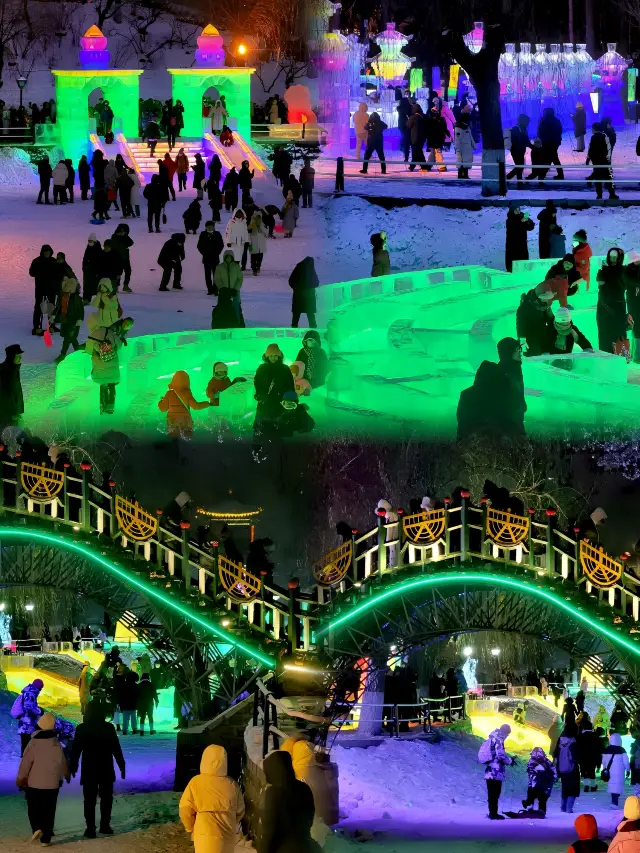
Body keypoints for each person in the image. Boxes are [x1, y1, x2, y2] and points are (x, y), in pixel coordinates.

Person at [69, 702, 125, 838]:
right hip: (106, 767)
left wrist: (73, 766)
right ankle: (105, 825)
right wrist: (121, 765)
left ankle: (90, 828)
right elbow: (115, 748)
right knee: (106, 798)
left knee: (89, 800)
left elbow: (76, 750)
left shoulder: (82, 728)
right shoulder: (108, 728)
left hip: (89, 768)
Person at [16, 712, 70, 846]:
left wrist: (21, 780)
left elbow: (25, 764)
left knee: (34, 807)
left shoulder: (33, 743)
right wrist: (66, 774)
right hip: (52, 784)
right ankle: (46, 837)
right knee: (49, 809)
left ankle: (37, 827)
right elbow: (62, 762)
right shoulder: (56, 744)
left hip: (34, 783)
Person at [179, 744, 244, 853]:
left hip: (204, 836)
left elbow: (185, 809)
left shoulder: (196, 782)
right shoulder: (232, 784)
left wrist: (190, 828)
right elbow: (240, 811)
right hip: (228, 837)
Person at [457, 337, 526, 440]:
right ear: (507, 352)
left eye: (519, 349)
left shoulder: (514, 371)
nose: (520, 353)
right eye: (517, 350)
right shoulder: (500, 374)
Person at [258, 750, 320, 853]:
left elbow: (270, 830)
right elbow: (309, 816)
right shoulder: (304, 788)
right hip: (304, 846)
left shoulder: (273, 793)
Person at [85, 314, 133, 415]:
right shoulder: (111, 332)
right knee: (111, 385)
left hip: (99, 365)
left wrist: (97, 351)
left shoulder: (93, 335)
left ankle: (102, 408)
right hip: (112, 364)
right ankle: (110, 407)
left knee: (103, 385)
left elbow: (88, 350)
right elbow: (118, 346)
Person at [253, 344, 295, 435]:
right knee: (260, 429)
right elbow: (257, 382)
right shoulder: (262, 368)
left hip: (280, 402)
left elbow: (290, 385)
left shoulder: (285, 368)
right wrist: (258, 395)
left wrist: (290, 400)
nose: (273, 358)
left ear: (279, 356)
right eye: (270, 355)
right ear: (267, 356)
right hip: (264, 401)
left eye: (275, 355)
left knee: (279, 428)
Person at [597, 248, 630, 357]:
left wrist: (606, 283)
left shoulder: (623, 270)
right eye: (611, 257)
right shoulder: (604, 270)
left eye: (615, 257)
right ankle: (605, 357)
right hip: (603, 305)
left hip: (617, 305)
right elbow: (601, 283)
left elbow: (621, 286)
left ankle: (621, 358)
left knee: (619, 332)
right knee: (604, 331)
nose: (613, 259)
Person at [158, 370, 211, 439]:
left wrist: (161, 401)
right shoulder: (187, 394)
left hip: (173, 421)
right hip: (185, 421)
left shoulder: (169, 394)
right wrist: (207, 404)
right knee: (187, 437)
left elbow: (163, 409)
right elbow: (196, 406)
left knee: (173, 437)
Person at [482, 724, 513, 820]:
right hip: (495, 771)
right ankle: (493, 813)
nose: (507, 736)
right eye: (507, 734)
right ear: (505, 732)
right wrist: (510, 760)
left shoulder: (493, 738)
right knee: (495, 793)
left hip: (490, 771)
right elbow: (500, 755)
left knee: (492, 793)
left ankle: (492, 812)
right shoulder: (499, 739)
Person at [54, 277, 85, 362]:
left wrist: (79, 320)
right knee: (70, 338)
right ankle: (78, 352)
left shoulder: (77, 299)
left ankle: (63, 354)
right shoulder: (63, 297)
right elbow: (58, 308)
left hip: (74, 322)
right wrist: (54, 316)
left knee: (69, 338)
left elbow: (81, 311)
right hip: (65, 321)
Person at [29, 244, 57, 336]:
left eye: (48, 252)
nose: (47, 253)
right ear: (42, 252)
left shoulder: (53, 261)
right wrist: (40, 272)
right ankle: (37, 326)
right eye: (45, 252)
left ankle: (51, 325)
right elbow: (31, 273)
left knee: (51, 307)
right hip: (40, 288)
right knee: (38, 308)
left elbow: (60, 271)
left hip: (51, 289)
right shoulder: (36, 261)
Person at [521, 746, 556, 816]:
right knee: (532, 797)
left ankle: (541, 810)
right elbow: (530, 772)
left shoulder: (546, 761)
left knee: (542, 798)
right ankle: (530, 807)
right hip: (535, 784)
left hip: (543, 784)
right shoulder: (532, 762)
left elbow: (553, 769)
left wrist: (554, 777)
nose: (538, 757)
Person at [554, 723, 581, 813]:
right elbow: (576, 757)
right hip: (572, 769)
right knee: (573, 788)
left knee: (565, 787)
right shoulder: (573, 742)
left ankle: (563, 807)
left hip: (562, 768)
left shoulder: (560, 740)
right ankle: (569, 808)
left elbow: (555, 754)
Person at [587, 122, 618, 200]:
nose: (591, 130)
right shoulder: (605, 137)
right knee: (609, 177)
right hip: (605, 161)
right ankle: (612, 193)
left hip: (596, 161)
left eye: (592, 129)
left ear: (595, 129)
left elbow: (590, 149)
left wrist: (588, 159)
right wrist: (608, 158)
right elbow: (609, 148)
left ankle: (599, 195)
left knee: (598, 179)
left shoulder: (593, 138)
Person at [214, 250, 243, 323]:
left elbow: (240, 279)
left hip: (235, 294)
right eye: (227, 257)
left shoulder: (236, 267)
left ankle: (237, 324)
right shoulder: (219, 267)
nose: (228, 259)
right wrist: (222, 288)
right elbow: (217, 279)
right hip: (223, 294)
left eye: (230, 257)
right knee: (223, 310)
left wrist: (236, 289)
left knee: (236, 310)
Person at [289, 256, 319, 328]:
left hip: (299, 296)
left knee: (297, 314)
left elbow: (291, 281)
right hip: (308, 297)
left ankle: (294, 330)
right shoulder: (310, 269)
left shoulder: (299, 268)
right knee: (310, 314)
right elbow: (316, 283)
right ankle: (313, 330)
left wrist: (297, 288)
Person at [602, 732, 630, 808]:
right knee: (618, 786)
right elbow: (626, 762)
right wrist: (628, 769)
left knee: (612, 786)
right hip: (619, 772)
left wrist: (604, 768)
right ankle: (615, 801)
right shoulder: (622, 750)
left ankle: (614, 801)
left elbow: (603, 761)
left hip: (610, 771)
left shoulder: (607, 749)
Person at [505, 204, 535, 272]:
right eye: (516, 210)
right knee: (512, 262)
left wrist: (528, 221)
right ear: (512, 211)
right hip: (512, 245)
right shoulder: (509, 219)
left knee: (523, 261)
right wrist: (521, 222)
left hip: (522, 243)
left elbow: (531, 227)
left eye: (519, 210)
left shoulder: (522, 216)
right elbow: (513, 227)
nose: (518, 212)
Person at [0, 343, 24, 427]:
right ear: (11, 356)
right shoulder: (6, 371)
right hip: (7, 415)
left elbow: (16, 391)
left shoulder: (13, 368)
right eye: (18, 356)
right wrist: (13, 413)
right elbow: (6, 395)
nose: (21, 358)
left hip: (13, 412)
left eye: (20, 355)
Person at [198, 220, 224, 295]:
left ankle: (215, 289)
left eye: (211, 226)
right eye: (208, 226)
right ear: (206, 227)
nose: (209, 227)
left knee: (216, 275)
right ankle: (210, 289)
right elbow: (199, 246)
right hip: (206, 258)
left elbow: (221, 245)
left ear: (213, 227)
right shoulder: (203, 234)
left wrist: (217, 252)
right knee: (207, 275)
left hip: (215, 258)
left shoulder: (217, 234)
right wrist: (204, 253)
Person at [537, 107, 564, 180]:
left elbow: (539, 131)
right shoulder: (556, 120)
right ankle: (560, 174)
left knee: (548, 158)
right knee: (553, 157)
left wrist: (541, 139)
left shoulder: (542, 120)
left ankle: (542, 175)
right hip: (555, 142)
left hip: (546, 142)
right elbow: (560, 130)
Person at [507, 114, 532, 186]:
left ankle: (519, 182)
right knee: (519, 167)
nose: (528, 123)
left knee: (519, 167)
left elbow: (525, 141)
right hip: (516, 151)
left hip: (519, 151)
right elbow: (524, 141)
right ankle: (507, 178)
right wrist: (533, 147)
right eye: (527, 121)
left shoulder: (522, 128)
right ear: (524, 121)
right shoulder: (517, 128)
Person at [579, 718, 603, 793]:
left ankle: (586, 785)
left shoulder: (581, 736)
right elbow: (600, 749)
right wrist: (599, 762)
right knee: (592, 771)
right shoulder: (596, 737)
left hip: (583, 757)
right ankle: (593, 786)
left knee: (585, 772)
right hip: (593, 757)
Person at [425, 107, 450, 172]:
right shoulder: (442, 119)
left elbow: (427, 130)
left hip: (433, 139)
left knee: (436, 152)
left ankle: (440, 166)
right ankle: (430, 165)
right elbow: (445, 129)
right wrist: (449, 135)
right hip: (439, 138)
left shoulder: (429, 120)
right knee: (435, 152)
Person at [111, 224, 134, 293]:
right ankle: (116, 286)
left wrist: (125, 236)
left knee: (128, 271)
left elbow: (131, 243)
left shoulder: (125, 237)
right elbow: (115, 245)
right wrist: (120, 236)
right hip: (117, 257)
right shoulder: (114, 236)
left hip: (125, 257)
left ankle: (125, 286)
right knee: (118, 272)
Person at [454, 106, 475, 179]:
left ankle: (465, 174)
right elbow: (457, 139)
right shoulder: (459, 128)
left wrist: (473, 145)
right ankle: (460, 174)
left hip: (467, 147)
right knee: (460, 161)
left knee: (466, 161)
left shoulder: (466, 127)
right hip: (462, 147)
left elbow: (470, 137)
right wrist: (458, 148)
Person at [407, 104, 427, 171]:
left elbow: (408, 126)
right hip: (422, 138)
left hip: (414, 138)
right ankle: (421, 166)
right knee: (419, 152)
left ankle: (416, 166)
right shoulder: (424, 116)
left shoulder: (413, 117)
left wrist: (408, 119)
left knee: (416, 152)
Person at [248, 211, 268, 276]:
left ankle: (258, 267)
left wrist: (260, 226)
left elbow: (266, 233)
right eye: (256, 217)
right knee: (253, 256)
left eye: (259, 217)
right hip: (253, 243)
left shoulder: (262, 224)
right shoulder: (251, 223)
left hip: (261, 244)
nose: (258, 219)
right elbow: (248, 231)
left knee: (260, 256)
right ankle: (254, 269)